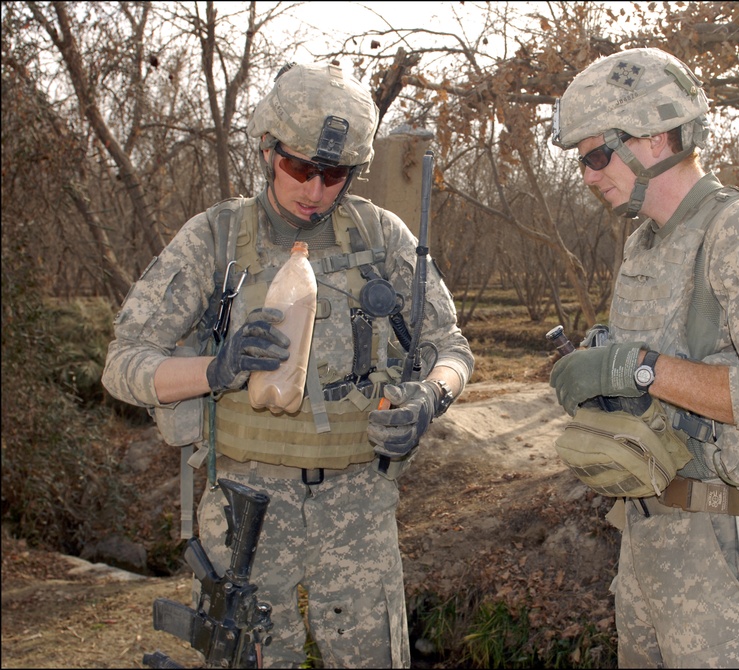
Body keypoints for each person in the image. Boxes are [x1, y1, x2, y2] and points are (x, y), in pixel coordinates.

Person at [102, 62, 473, 668]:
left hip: (357, 507)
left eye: (335, 175)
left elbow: (450, 347)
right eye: (300, 167)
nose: (316, 189)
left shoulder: (382, 238)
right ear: (268, 149)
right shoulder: (215, 240)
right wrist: (214, 371)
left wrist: (430, 398)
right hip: (246, 508)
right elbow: (123, 363)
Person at [548, 48, 739, 668]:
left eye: (596, 154)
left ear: (655, 137)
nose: (588, 175)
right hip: (648, 531)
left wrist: (636, 366)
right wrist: (605, 368)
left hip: (727, 547)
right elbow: (667, 374)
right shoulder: (645, 241)